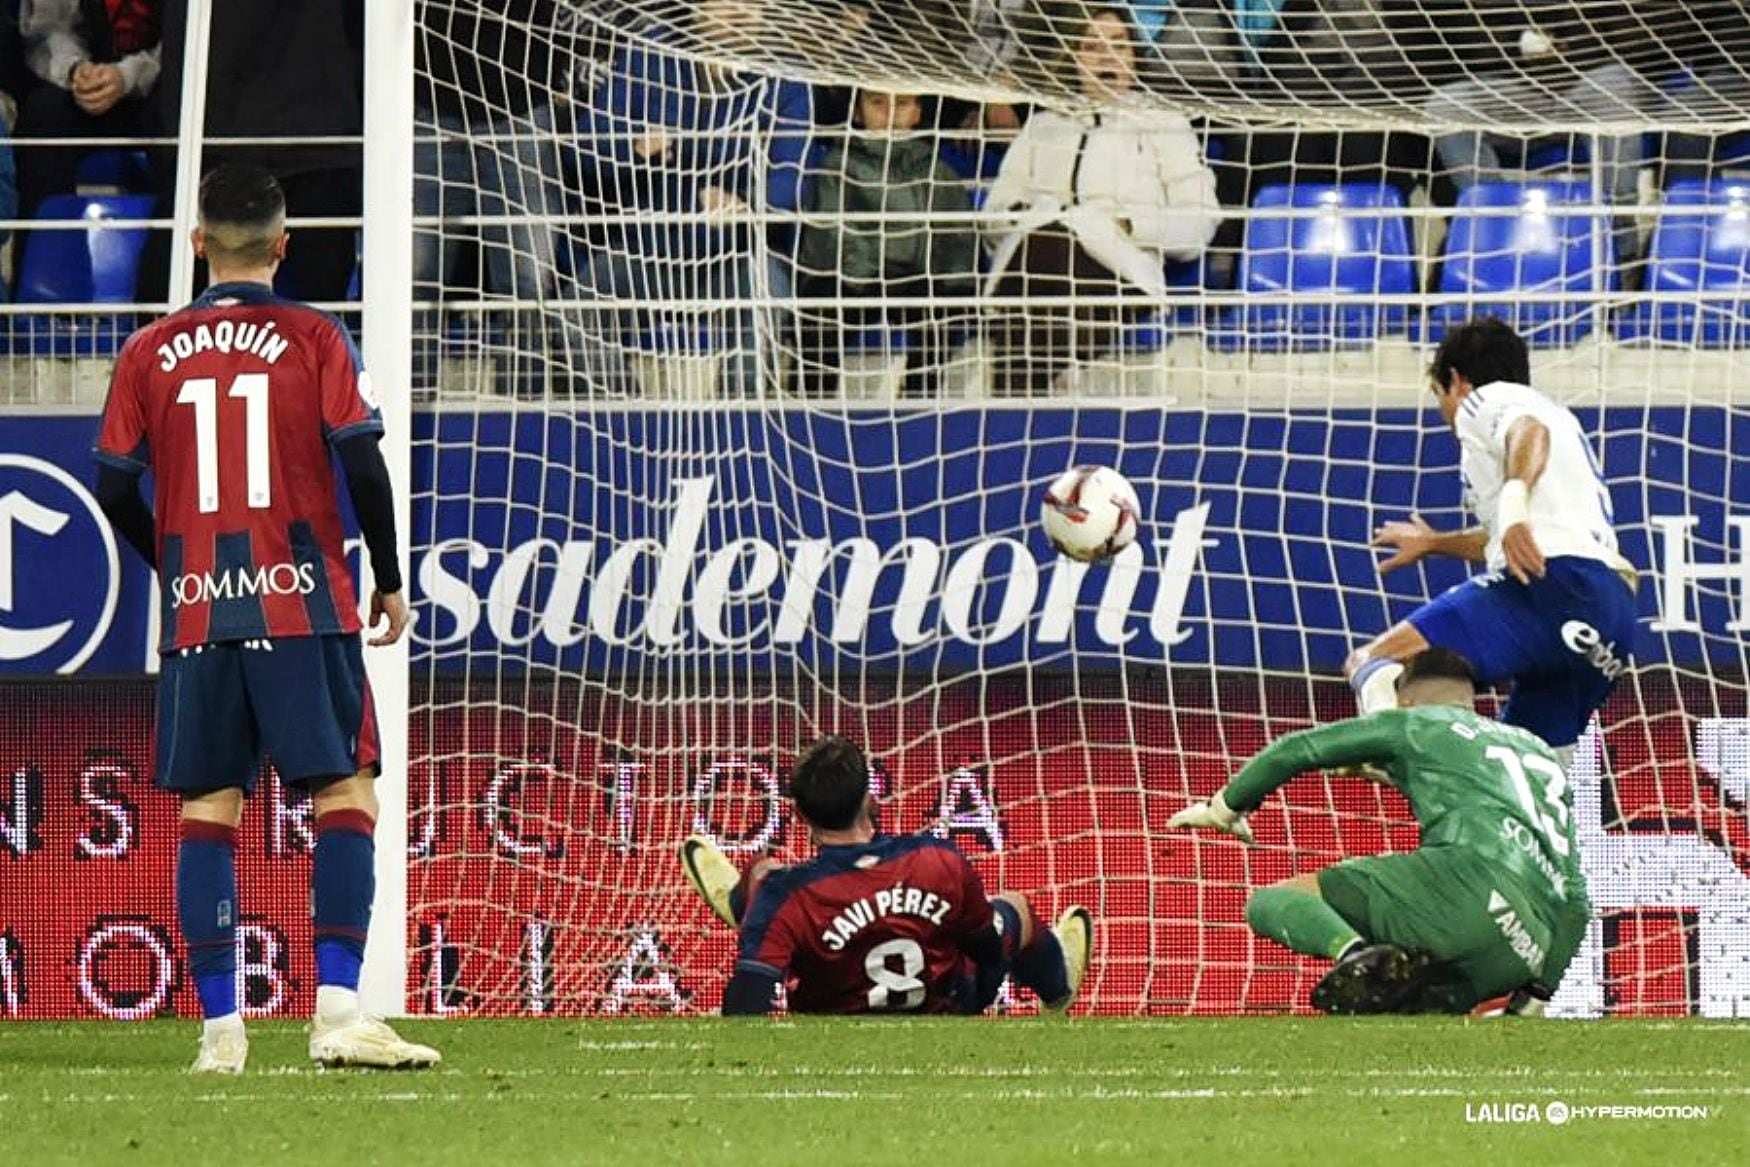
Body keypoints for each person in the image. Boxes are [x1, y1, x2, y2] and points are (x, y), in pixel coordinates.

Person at [92, 164, 437, 1074]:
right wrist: (390, 577)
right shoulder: (317, 337)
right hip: (301, 600)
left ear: (196, 241)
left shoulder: (147, 350)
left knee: (210, 806)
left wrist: (172, 561)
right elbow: (361, 462)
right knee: (344, 791)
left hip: (200, 614)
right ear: (284, 247)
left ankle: (220, 1033)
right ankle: (335, 1010)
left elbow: (113, 483)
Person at [1170, 648, 1591, 1016]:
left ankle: (1358, 958)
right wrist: (1536, 996)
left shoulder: (1418, 723)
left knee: (1272, 900)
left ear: (1404, 697)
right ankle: (1394, 987)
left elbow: (1295, 749)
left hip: (1466, 888)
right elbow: (1577, 902)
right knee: (1402, 1022)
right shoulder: (1538, 753)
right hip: (1523, 949)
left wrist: (1224, 808)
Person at [1346, 316, 1637, 767]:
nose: (1443, 408)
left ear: (1456, 381)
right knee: (1524, 778)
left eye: (1438, 393)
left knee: (1372, 658)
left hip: (1552, 587)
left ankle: (1385, 748)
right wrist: (1436, 543)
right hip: (1611, 618)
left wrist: (1515, 503)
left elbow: (1527, 433)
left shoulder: (1488, 399)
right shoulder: (1563, 422)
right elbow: (1512, 536)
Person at [679, 736, 1092, 1015]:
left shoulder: (788, 893)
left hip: (831, 1017)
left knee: (764, 876)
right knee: (1013, 909)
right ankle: (1058, 987)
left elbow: (747, 999)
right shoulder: (938, 859)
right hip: (941, 1008)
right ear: (872, 799)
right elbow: (985, 948)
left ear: (799, 816)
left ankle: (747, 911)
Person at [577, 0, 815, 397]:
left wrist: (747, 205)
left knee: (770, 296)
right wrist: (634, 149)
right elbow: (583, 148)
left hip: (733, 257)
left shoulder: (783, 75)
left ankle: (740, 422)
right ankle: (622, 415)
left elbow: (795, 179)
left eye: (753, 4)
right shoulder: (649, 55)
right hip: (648, 253)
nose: (741, 11)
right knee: (577, 306)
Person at [981, 3, 1220, 395]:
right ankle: (1053, 386)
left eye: (1119, 45)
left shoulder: (1165, 123)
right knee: (1048, 250)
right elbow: (994, 213)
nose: (1107, 55)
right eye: (1092, 45)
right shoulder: (1043, 125)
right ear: (1073, 56)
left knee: (1051, 276)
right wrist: (1036, 217)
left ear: (1135, 58)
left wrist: (1129, 224)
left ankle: (1023, 406)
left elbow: (1199, 223)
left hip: (1120, 268)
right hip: (1032, 262)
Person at [794, 89, 978, 397]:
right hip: (853, 275)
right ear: (858, 112)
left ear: (918, 113)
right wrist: (871, 269)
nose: (890, 114)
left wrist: (946, 283)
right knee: (821, 310)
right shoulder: (836, 165)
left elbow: (956, 244)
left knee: (942, 307)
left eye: (902, 104)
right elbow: (827, 237)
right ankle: (812, 403)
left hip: (915, 277)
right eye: (877, 103)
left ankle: (921, 396)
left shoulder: (938, 171)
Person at [15, 0, 159, 230]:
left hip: (162, 85)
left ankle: (175, 253)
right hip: (84, 85)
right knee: (43, 114)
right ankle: (49, 253)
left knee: (181, 117)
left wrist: (129, 75)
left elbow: (195, 42)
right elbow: (47, 30)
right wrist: (76, 69)